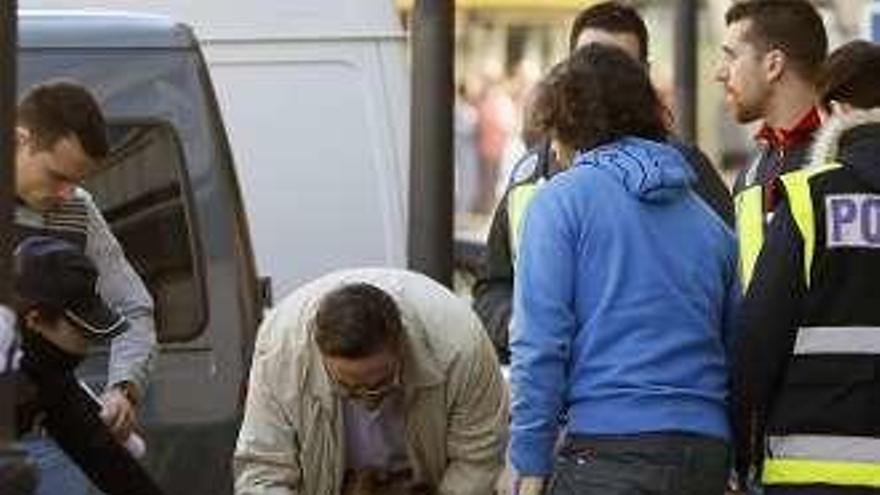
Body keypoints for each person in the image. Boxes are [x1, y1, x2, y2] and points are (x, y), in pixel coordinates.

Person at [509, 44, 739, 495]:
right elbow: (736, 345)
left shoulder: (560, 203)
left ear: (565, 124)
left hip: (606, 450)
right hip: (705, 452)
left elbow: (539, 344)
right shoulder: (709, 222)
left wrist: (529, 462)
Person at [472, 0, 733, 363]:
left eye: (617, 69)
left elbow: (727, 288)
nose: (600, 83)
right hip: (557, 391)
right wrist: (522, 326)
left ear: (643, 75)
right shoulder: (530, 173)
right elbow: (492, 287)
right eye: (586, 67)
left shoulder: (683, 170)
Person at [733, 40, 880, 494]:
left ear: (834, 110)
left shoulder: (809, 198)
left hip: (811, 467)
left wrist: (743, 452)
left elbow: (760, 337)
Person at [234, 268, 507, 495]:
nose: (367, 401)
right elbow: (264, 470)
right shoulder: (281, 353)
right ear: (320, 356)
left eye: (380, 384)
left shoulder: (461, 347)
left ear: (401, 346)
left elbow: (478, 459)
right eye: (348, 389)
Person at [12, 80, 157, 494]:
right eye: (57, 176)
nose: (65, 194)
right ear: (20, 139)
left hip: (51, 422)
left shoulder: (77, 207)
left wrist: (124, 388)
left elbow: (132, 307)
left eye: (76, 181)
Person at [12, 236, 163, 495]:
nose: (89, 345)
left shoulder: (51, 379)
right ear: (35, 320)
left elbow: (111, 464)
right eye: (82, 332)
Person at [715, 0, 827, 291]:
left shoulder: (846, 161)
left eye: (731, 57)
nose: (720, 73)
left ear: (773, 65)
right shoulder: (752, 172)